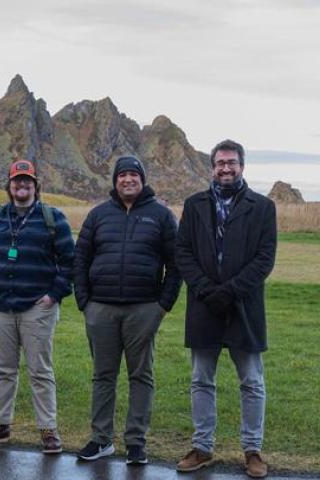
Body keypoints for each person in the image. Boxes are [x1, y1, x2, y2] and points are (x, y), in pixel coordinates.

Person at [174, 140, 277, 478]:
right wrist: (206, 289)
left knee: (251, 381)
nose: (226, 168)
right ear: (212, 167)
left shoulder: (262, 207)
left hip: (243, 306)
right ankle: (202, 447)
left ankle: (253, 450)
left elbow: (264, 259)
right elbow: (183, 253)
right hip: (204, 305)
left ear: (242, 166)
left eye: (231, 162)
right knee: (201, 379)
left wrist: (230, 291)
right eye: (220, 163)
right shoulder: (194, 205)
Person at [73, 156, 182, 465]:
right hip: (101, 309)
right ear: (115, 180)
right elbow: (80, 259)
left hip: (144, 309)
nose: (128, 180)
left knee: (141, 376)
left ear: (142, 179)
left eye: (133, 174)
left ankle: (136, 442)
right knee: (103, 376)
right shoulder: (98, 215)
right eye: (122, 175)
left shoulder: (161, 215)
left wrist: (162, 306)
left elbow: (176, 264)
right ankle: (101, 439)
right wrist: (85, 302)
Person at [0, 159, 75, 454]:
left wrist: (53, 295)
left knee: (40, 370)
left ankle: (48, 430)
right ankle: (0, 426)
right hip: (1, 306)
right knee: (4, 370)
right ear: (10, 185)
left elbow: (70, 263)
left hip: (37, 307)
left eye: (27, 181)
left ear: (35, 186)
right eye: (17, 181)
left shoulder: (54, 218)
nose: (22, 185)